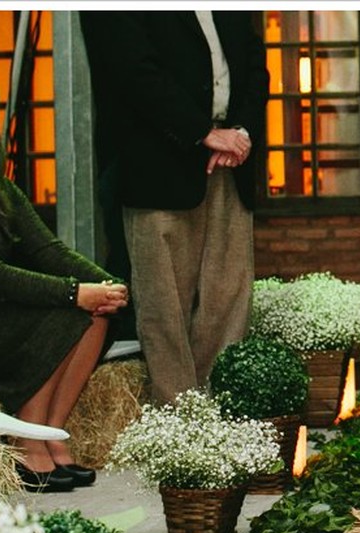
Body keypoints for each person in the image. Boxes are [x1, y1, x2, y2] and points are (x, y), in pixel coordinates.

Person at [0, 75, 129, 492]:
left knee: (97, 315)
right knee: (64, 315)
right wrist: (74, 293)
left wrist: (106, 285)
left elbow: (50, 252)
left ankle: (50, 433)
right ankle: (26, 443)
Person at [80, 11, 269, 404]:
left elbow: (255, 63)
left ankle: (218, 409)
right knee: (164, 301)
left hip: (230, 160)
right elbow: (130, 69)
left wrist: (243, 133)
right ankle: (179, 416)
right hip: (159, 162)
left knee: (229, 293)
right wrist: (202, 133)